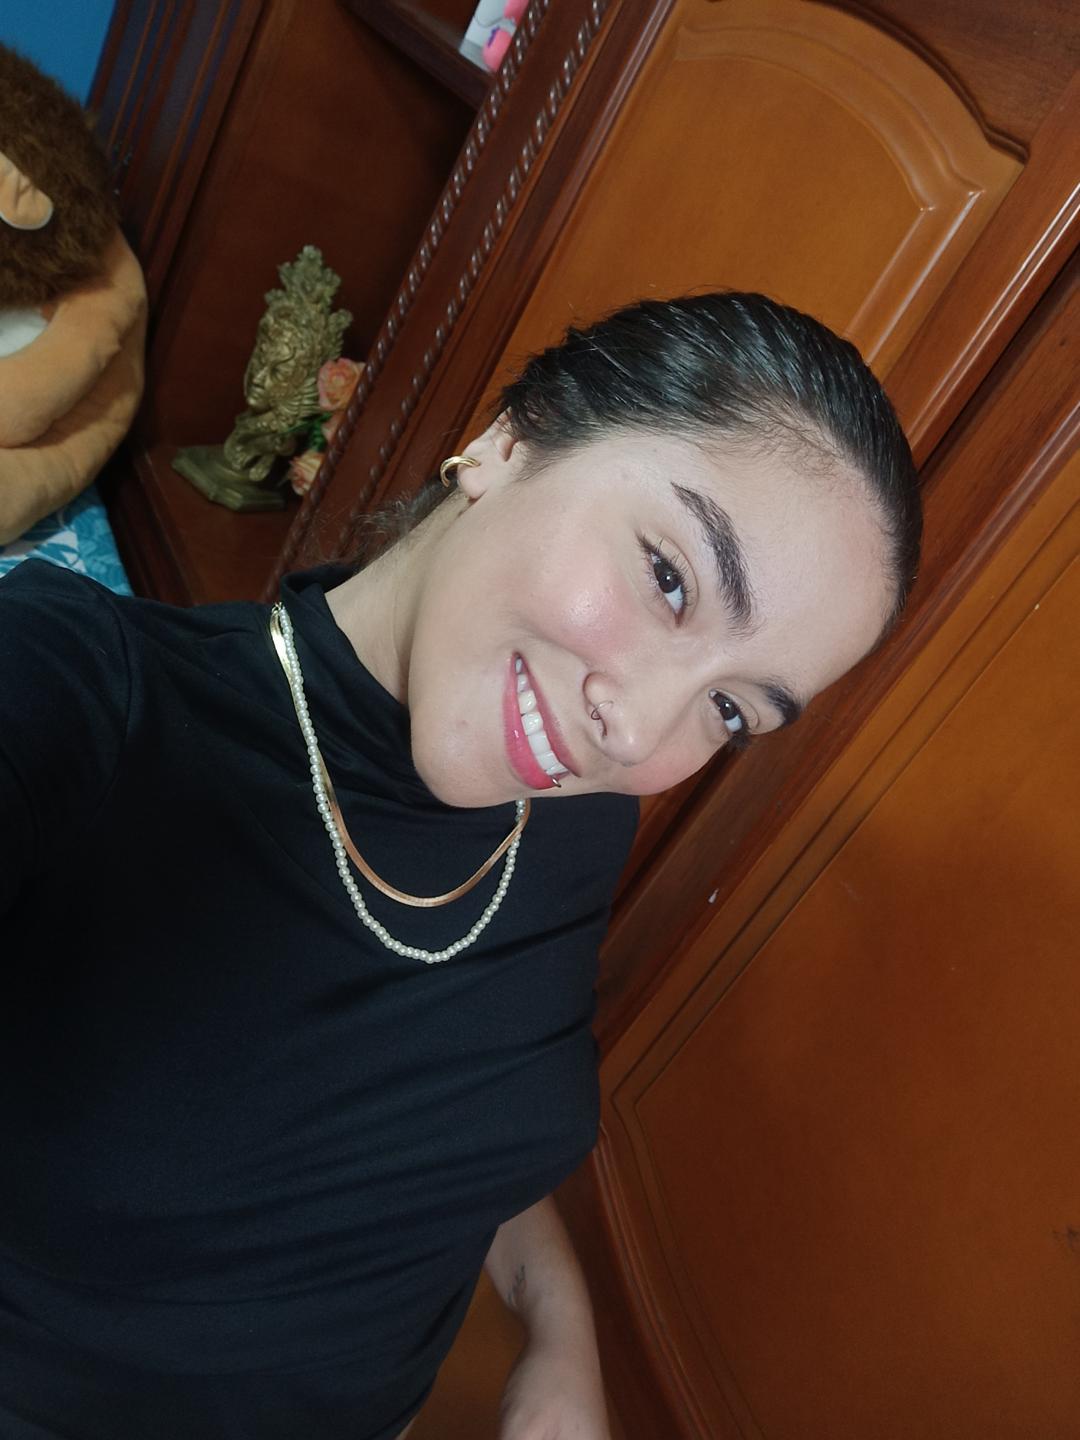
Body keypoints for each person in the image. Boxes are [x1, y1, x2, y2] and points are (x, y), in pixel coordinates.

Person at [0, 292, 920, 1439]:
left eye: (731, 709)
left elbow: (430, 1141)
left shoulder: (572, 818)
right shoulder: (89, 697)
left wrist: (562, 1335)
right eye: (672, 579)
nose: (639, 734)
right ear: (506, 441)